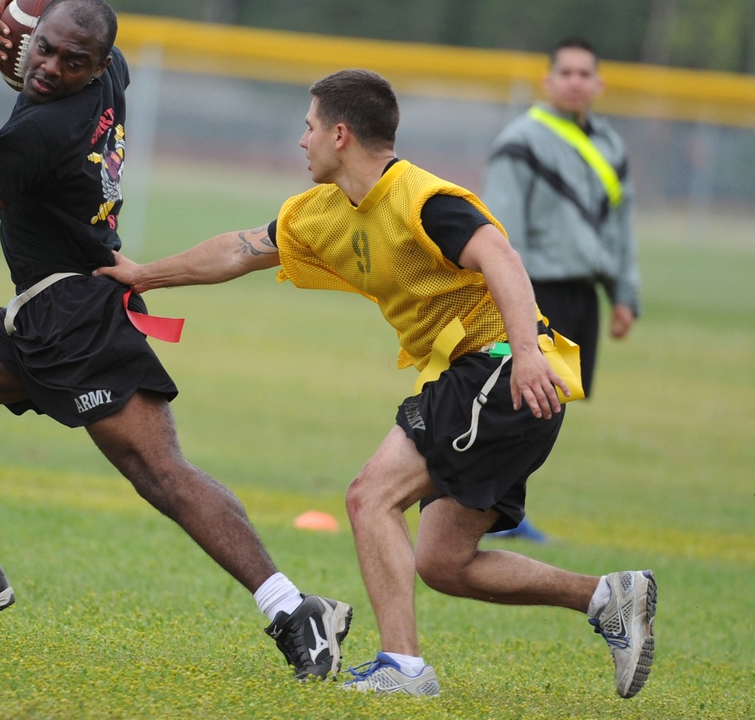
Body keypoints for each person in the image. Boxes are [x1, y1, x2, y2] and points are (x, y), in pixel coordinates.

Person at [94, 69, 657, 699]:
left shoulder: (425, 200)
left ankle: (404, 669)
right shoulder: (323, 212)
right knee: (443, 562)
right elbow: (239, 249)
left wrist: (525, 353)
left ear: (340, 134)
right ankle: (608, 597)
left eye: (308, 127)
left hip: (499, 369)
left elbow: (503, 257)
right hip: (484, 380)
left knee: (369, 497)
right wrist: (145, 276)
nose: (300, 140)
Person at [0, 0, 352, 682]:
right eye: (46, 49)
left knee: (161, 474)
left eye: (71, 60)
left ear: (96, 68)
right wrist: (10, 44)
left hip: (79, 321)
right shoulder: (109, 76)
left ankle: (294, 609)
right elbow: (53, 33)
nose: (51, 67)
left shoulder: (45, 133)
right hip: (39, 312)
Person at [480, 37, 641, 544]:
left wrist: (623, 294)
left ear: (599, 83)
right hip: (533, 290)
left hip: (581, 294)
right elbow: (500, 230)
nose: (575, 81)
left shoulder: (610, 147)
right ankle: (490, 509)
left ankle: (503, 508)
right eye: (565, 73)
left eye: (584, 73)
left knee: (550, 406)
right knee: (517, 400)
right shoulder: (522, 140)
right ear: (548, 82)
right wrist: (508, 298)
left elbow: (619, 229)